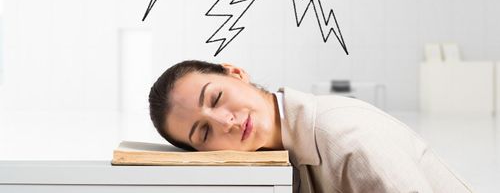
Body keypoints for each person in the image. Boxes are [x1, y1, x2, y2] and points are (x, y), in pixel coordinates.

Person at [148, 60, 473, 193]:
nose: (225, 122)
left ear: (235, 72)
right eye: (204, 132)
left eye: (217, 98)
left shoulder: (347, 139)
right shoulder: (283, 152)